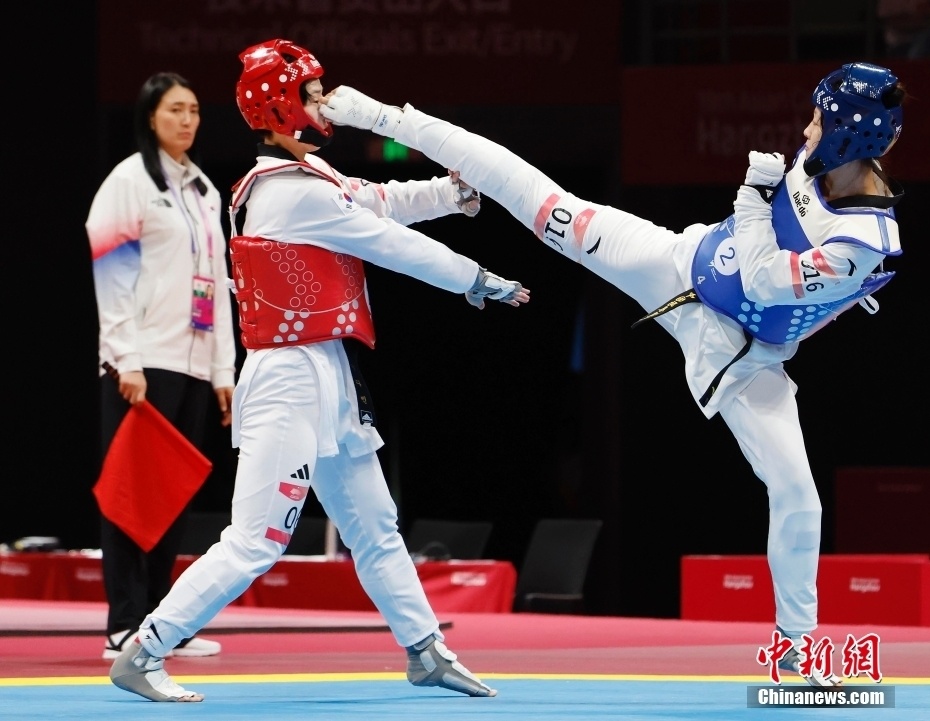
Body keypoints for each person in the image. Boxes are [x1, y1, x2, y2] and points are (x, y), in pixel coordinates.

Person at [319, 61, 907, 688]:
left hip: (744, 358)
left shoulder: (863, 240)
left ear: (851, 137)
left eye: (818, 122)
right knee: (545, 201)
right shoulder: (821, 159)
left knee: (797, 495)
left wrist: (752, 195)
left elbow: (765, 281)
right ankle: (383, 115)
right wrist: (377, 119)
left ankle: (795, 648)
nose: (807, 131)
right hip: (677, 263)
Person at [108, 39, 529, 703]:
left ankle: (425, 649)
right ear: (280, 107)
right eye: (311, 94)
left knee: (375, 525)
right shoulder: (286, 194)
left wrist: (452, 192)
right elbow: (388, 242)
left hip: (327, 370)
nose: (324, 103)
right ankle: (145, 648)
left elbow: (377, 200)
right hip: (286, 379)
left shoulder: (310, 177)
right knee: (256, 541)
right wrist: (474, 278)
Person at [86, 72, 237, 661]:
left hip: (193, 365)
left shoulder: (203, 189)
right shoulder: (129, 181)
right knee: (133, 494)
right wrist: (124, 357)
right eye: (175, 109)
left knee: (172, 494)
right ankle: (123, 623)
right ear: (151, 117)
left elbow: (217, 284)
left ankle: (159, 624)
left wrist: (223, 371)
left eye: (194, 110)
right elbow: (112, 274)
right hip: (143, 363)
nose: (187, 120)